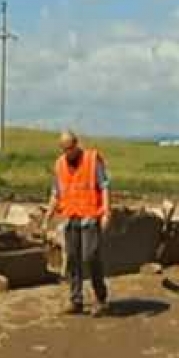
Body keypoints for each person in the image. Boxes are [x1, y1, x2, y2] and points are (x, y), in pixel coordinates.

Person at [42, 130, 112, 316]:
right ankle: (76, 300)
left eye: (70, 148)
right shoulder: (59, 165)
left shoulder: (91, 160)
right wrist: (47, 217)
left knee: (90, 256)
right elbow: (56, 194)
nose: (68, 152)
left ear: (76, 144)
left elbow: (104, 187)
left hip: (90, 217)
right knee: (72, 259)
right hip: (71, 217)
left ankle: (101, 299)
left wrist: (106, 212)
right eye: (64, 149)